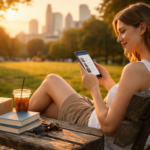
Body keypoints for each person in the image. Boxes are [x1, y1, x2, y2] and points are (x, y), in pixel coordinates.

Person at [28, 3, 150, 150]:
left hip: (95, 127)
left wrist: (94, 88)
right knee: (47, 109)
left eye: (122, 31)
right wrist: (108, 82)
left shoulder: (135, 69)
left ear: (142, 28)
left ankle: (11, 123)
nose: (119, 39)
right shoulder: (143, 70)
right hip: (117, 130)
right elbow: (128, 103)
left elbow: (109, 127)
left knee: (51, 80)